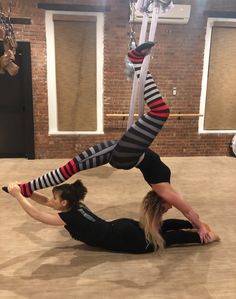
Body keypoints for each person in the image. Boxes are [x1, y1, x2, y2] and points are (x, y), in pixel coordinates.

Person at [2, 42, 211, 243]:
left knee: (161, 112)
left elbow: (188, 210)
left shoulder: (165, 192)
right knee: (72, 167)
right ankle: (28, 188)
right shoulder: (164, 189)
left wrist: (199, 226)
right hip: (125, 154)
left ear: (161, 201)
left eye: (165, 208)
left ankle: (136, 60)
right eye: (168, 209)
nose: (170, 207)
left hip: (128, 155)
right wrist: (196, 225)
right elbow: (185, 210)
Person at [7, 180, 220, 254]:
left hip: (131, 240)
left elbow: (38, 215)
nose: (51, 200)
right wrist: (27, 192)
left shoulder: (68, 217)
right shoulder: (75, 205)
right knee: (159, 229)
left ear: (64, 204)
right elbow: (46, 201)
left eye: (55, 198)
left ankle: (207, 236)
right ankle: (193, 225)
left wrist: (18, 196)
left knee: (167, 239)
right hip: (123, 228)